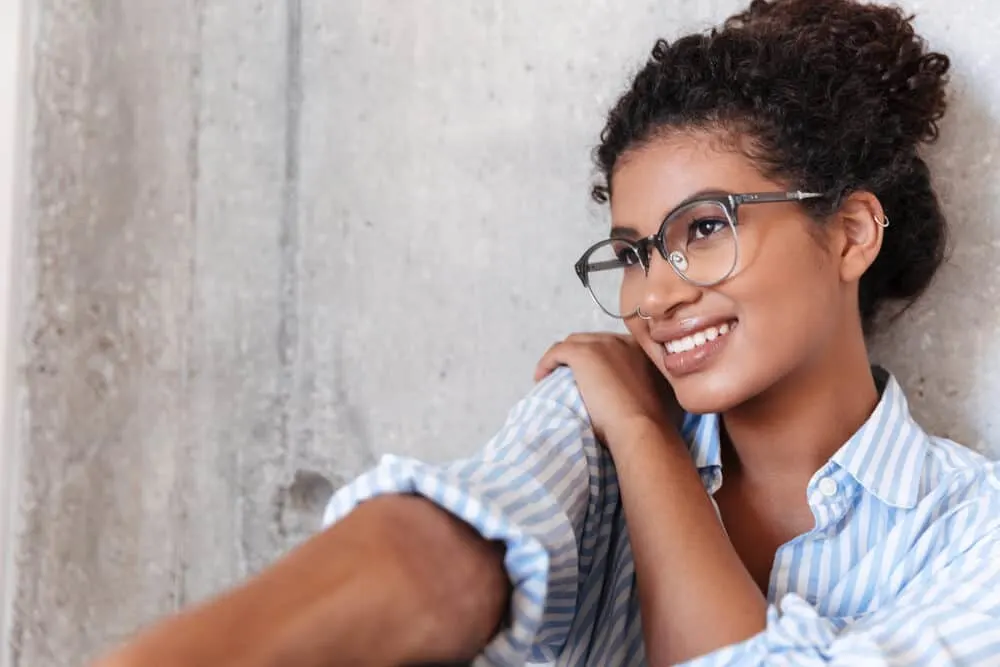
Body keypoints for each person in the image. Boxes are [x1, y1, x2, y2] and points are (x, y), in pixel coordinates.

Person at [95, 0, 1000, 665]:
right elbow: (443, 555)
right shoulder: (590, 409)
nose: (654, 296)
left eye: (706, 229)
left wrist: (650, 443)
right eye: (635, 253)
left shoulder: (977, 532)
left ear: (849, 234)